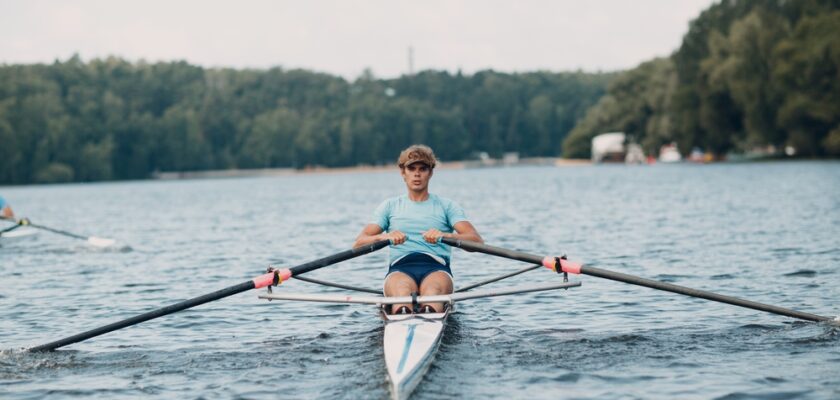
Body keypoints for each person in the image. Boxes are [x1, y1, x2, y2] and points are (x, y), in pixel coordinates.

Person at [353, 144, 483, 314]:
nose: (417, 174)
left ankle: (428, 313)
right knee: (402, 294)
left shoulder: (447, 206)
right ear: (403, 172)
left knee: (432, 294)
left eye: (422, 169)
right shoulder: (389, 206)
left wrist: (444, 235)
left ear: (430, 173)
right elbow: (358, 244)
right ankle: (404, 315)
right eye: (411, 168)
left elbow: (476, 241)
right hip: (400, 268)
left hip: (437, 268)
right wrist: (384, 237)